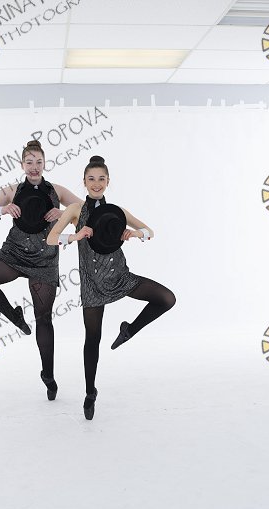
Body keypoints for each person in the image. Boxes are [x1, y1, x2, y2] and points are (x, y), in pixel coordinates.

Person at [47, 155, 175, 420]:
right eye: (91, 179)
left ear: (108, 182)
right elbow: (51, 238)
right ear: (84, 182)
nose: (96, 183)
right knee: (92, 338)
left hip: (120, 276)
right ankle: (90, 392)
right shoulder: (75, 210)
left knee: (166, 299)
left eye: (101, 179)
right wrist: (75, 235)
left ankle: (129, 330)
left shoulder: (117, 211)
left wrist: (135, 233)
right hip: (92, 283)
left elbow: (150, 231)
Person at [0, 140, 80, 400]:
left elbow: (84, 209)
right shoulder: (12, 190)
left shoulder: (56, 190)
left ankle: (48, 375)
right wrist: (2, 208)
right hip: (14, 253)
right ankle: (14, 316)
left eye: (38, 162)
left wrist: (63, 213)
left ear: (45, 164)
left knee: (44, 318)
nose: (34, 167)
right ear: (22, 165)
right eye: (29, 162)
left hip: (45, 259)